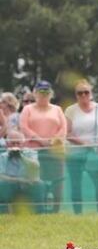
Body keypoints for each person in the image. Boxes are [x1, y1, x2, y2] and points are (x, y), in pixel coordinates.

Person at [18, 81, 66, 211]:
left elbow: (63, 128)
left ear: (51, 94)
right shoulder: (28, 109)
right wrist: (39, 140)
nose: (43, 94)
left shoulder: (57, 109)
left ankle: (56, 210)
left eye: (46, 92)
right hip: (34, 151)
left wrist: (53, 140)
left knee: (57, 180)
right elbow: (24, 126)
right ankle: (39, 208)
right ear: (35, 93)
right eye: (40, 91)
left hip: (55, 151)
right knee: (37, 180)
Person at [65, 79, 98, 214]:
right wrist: (84, 143)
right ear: (76, 95)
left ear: (91, 93)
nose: (83, 95)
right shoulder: (71, 110)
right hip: (75, 153)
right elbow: (67, 133)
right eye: (80, 93)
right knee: (76, 184)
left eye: (86, 92)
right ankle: (78, 212)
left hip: (95, 153)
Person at [0, 130, 45, 213]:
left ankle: (40, 214)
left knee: (39, 184)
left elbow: (35, 166)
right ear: (7, 144)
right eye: (13, 143)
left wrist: (21, 157)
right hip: (11, 183)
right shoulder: (2, 157)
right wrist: (18, 180)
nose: (15, 146)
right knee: (2, 185)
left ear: (23, 144)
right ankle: (3, 214)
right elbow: (1, 176)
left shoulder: (31, 153)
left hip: (28, 182)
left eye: (18, 143)